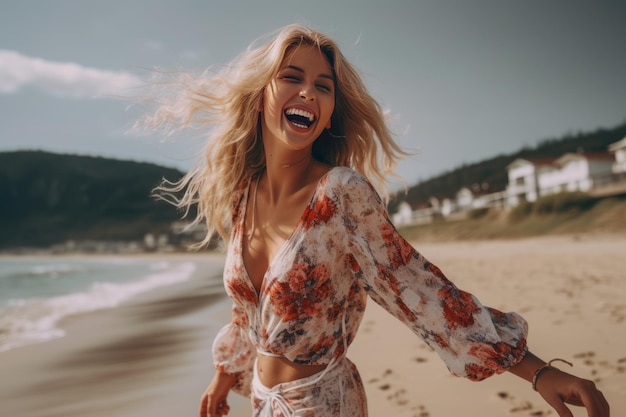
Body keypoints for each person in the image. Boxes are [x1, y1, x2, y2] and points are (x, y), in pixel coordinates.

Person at [145, 24, 610, 417]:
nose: (308, 91)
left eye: (322, 86)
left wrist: (538, 371)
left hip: (323, 402)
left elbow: (421, 291)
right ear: (260, 96)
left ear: (327, 116)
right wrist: (224, 377)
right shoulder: (242, 199)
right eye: (291, 77)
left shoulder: (341, 194)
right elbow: (248, 312)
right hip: (264, 402)